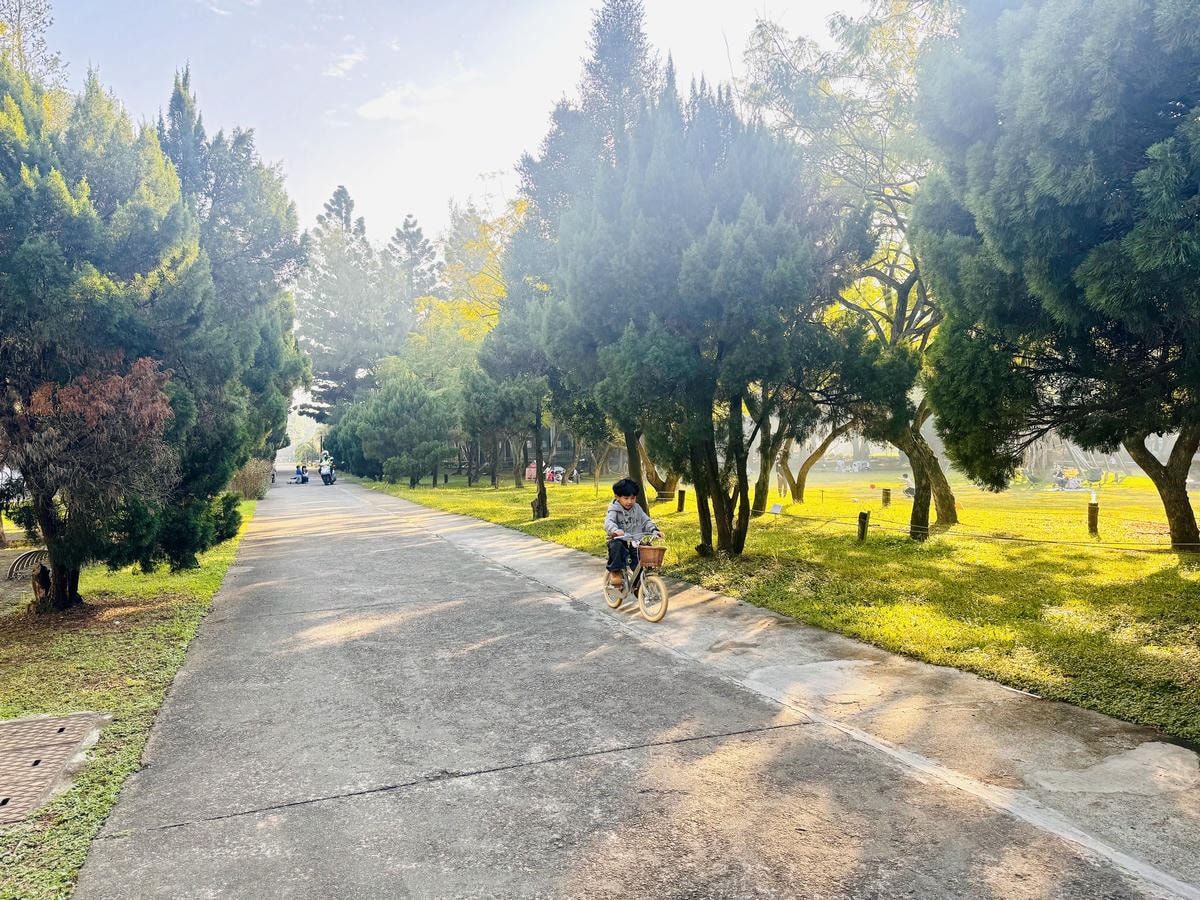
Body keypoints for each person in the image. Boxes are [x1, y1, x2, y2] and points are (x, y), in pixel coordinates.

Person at [604, 478, 663, 587]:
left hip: (635, 540)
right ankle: (615, 572)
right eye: (626, 498)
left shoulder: (637, 508)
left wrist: (654, 530)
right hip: (620, 539)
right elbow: (609, 522)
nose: (630, 501)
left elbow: (645, 521)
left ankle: (639, 585)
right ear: (617, 497)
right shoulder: (614, 510)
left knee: (640, 560)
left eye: (633, 498)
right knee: (617, 547)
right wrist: (615, 531)